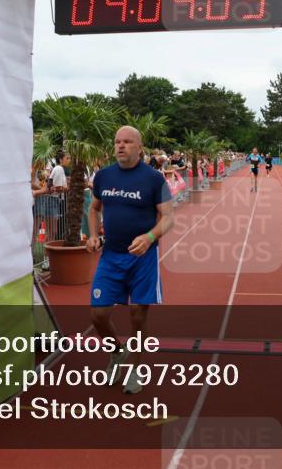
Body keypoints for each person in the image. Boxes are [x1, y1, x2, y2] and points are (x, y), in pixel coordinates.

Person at [86, 126, 173, 394]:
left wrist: (149, 237)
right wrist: (91, 235)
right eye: (117, 142)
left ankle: (135, 368)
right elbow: (93, 208)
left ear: (139, 147)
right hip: (111, 255)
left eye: (127, 142)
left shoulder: (154, 180)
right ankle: (117, 353)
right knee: (98, 314)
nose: (120, 146)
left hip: (142, 258)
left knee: (138, 315)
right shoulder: (103, 176)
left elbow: (168, 218)